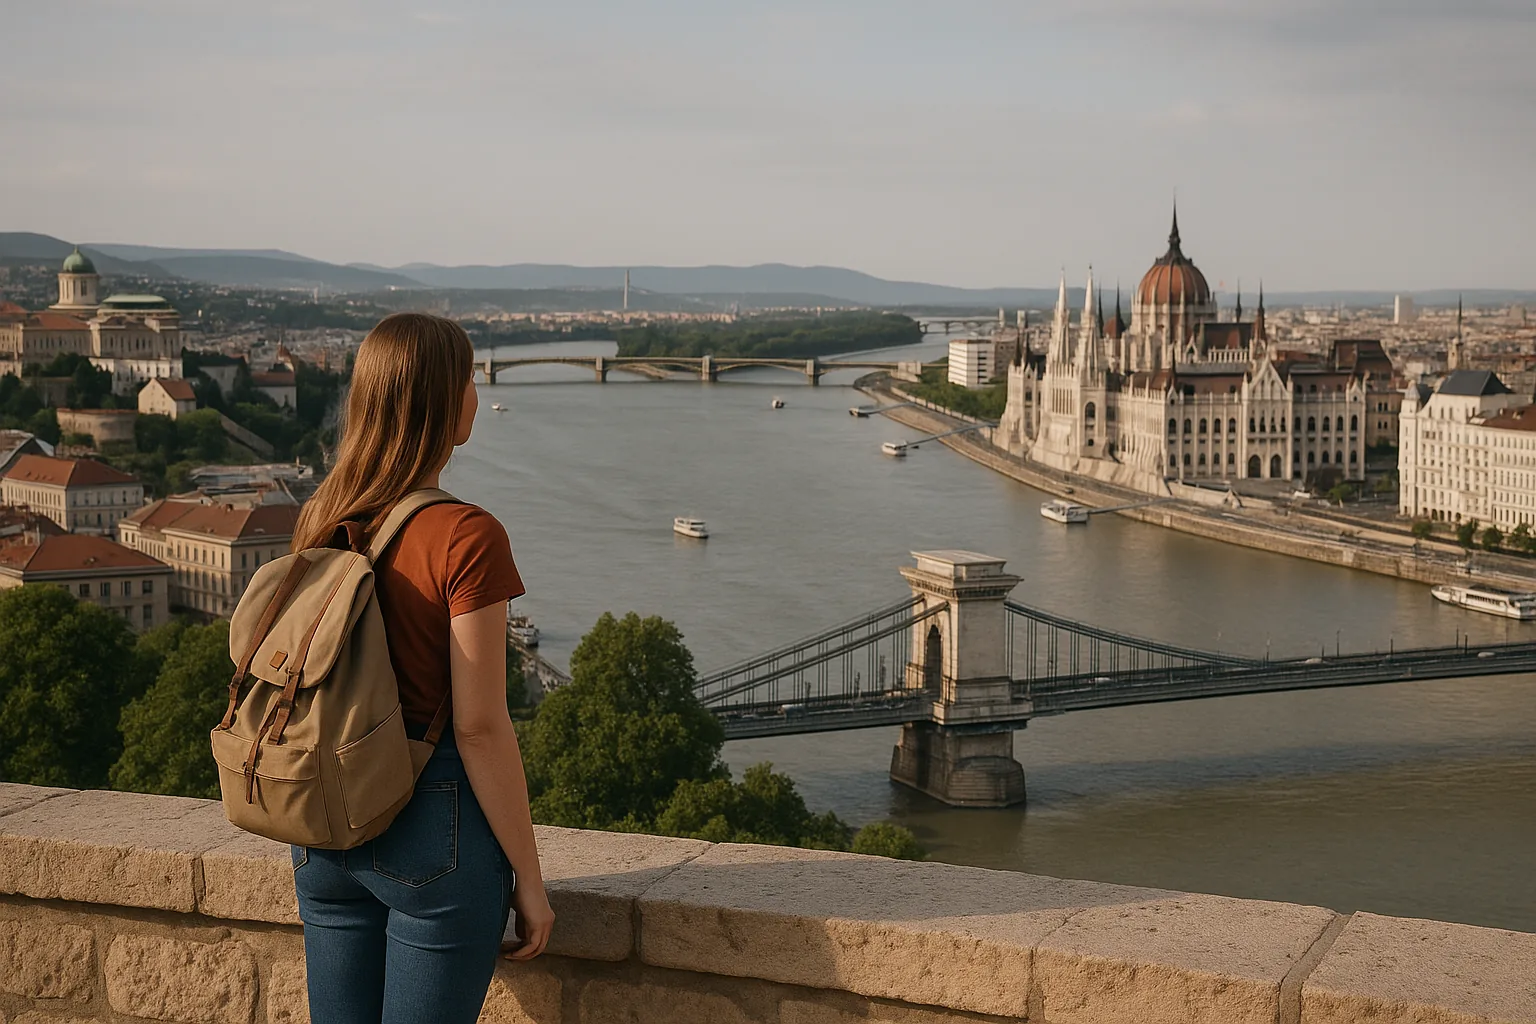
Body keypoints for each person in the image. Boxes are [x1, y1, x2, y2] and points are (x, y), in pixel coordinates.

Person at [287, 312, 554, 1024]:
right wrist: (529, 879)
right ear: (445, 402)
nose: (476, 393)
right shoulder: (468, 536)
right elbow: (479, 726)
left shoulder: (322, 515)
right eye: (469, 379)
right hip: (430, 829)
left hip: (320, 823)